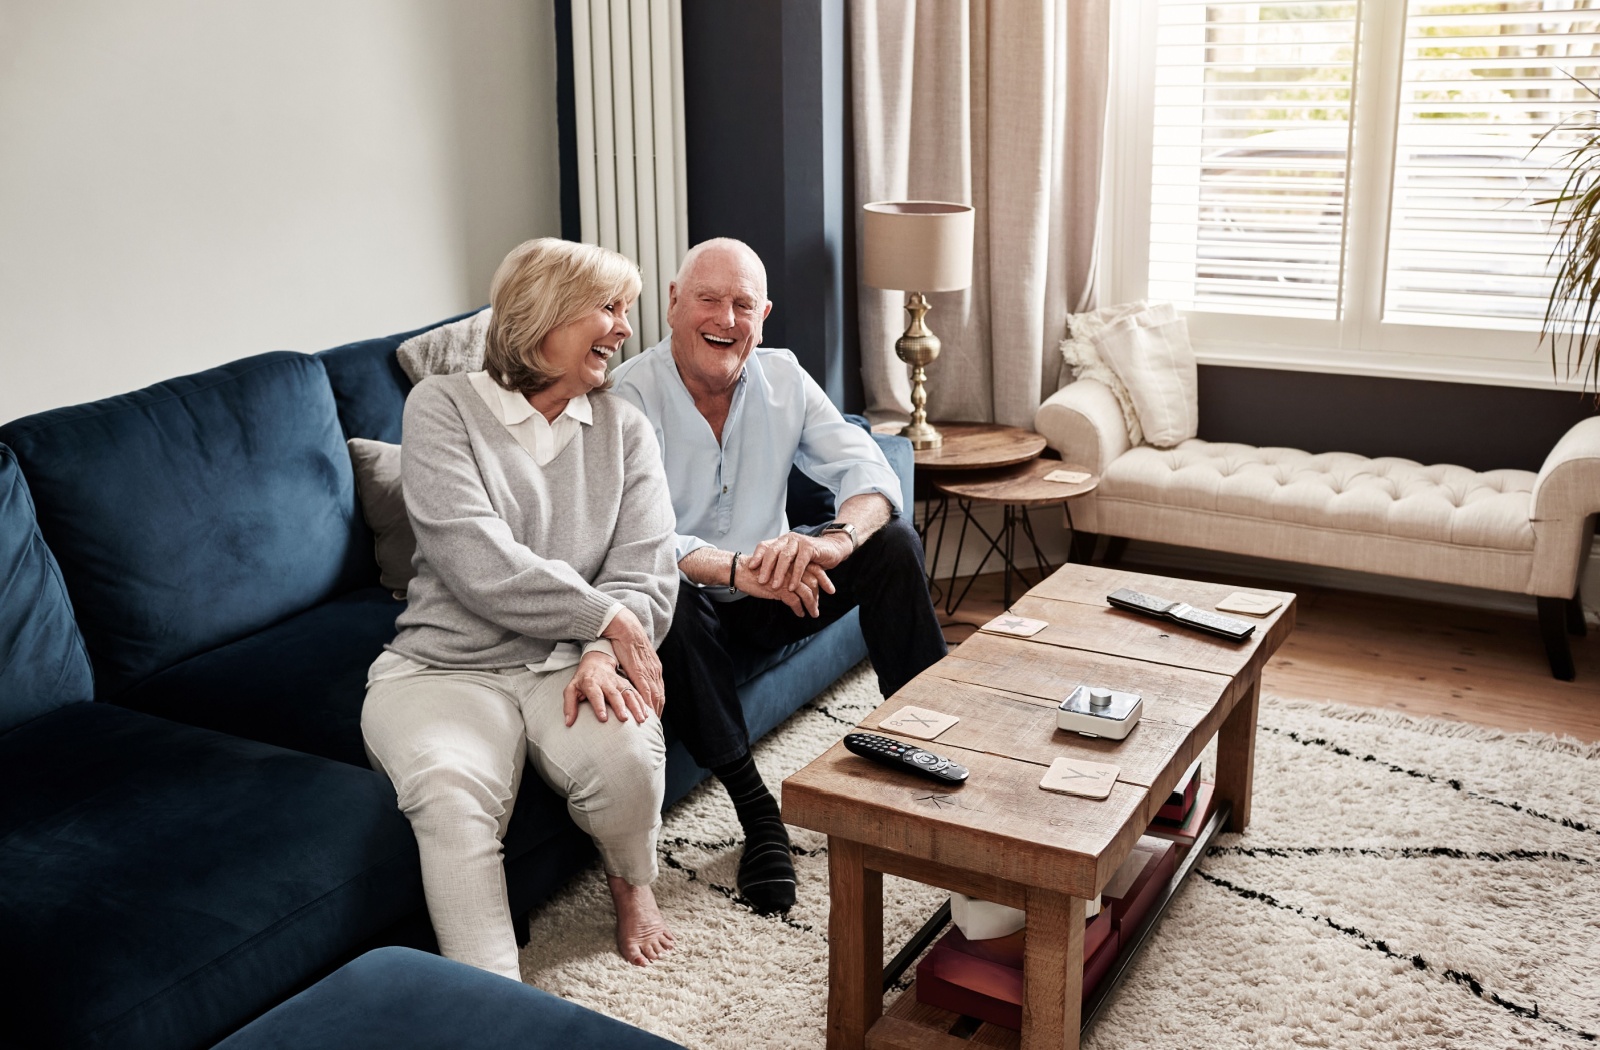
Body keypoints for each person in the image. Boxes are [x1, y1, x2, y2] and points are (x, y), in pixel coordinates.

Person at [362, 238, 680, 979]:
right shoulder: (440, 406)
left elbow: (647, 566)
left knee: (630, 760)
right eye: (609, 308)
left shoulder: (625, 428)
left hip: (568, 661)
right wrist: (608, 619)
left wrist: (602, 648)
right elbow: (475, 556)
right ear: (544, 314)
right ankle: (497, 1002)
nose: (625, 329)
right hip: (444, 667)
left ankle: (632, 884)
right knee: (448, 794)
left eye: (626, 311)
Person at [611, 237, 947, 914]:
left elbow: (870, 470)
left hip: (782, 593)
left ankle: (922, 749)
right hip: (694, 615)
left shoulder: (784, 377)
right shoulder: (628, 399)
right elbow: (639, 539)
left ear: (762, 315)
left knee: (892, 543)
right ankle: (757, 812)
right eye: (708, 299)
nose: (726, 319)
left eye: (742, 304)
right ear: (674, 304)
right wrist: (737, 567)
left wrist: (834, 540)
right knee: (665, 595)